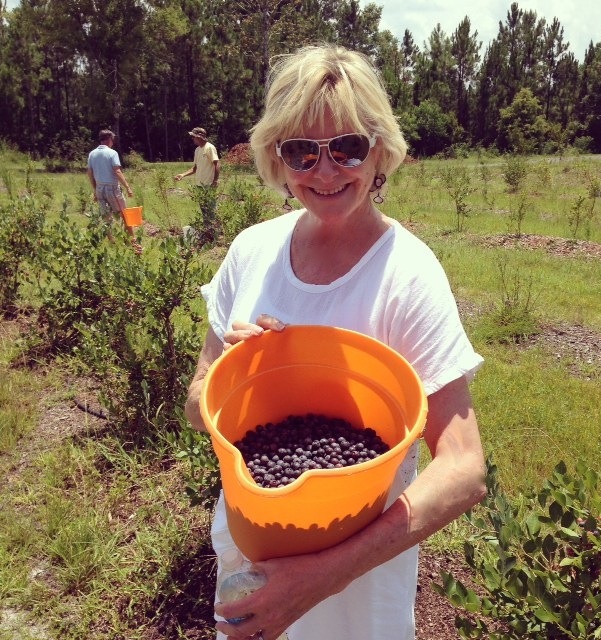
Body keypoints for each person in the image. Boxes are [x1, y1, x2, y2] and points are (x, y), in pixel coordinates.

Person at [184, 44, 487, 640]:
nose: (325, 172)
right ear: (278, 157)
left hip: (355, 588)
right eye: (302, 151)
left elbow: (465, 467)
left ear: (379, 151)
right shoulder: (251, 251)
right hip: (250, 554)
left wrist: (321, 576)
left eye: (347, 147)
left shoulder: (407, 274)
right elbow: (198, 406)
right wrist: (232, 380)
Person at [87, 129, 141, 253]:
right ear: (109, 139)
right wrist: (127, 187)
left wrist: (95, 190)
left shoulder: (92, 154)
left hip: (100, 188)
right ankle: (133, 241)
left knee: (106, 217)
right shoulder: (112, 153)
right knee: (125, 214)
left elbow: (90, 173)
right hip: (112, 187)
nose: (113, 142)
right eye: (112, 139)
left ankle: (112, 241)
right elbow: (117, 171)